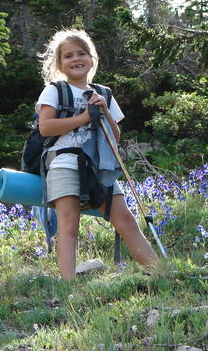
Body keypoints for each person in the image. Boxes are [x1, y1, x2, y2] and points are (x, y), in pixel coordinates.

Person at [36, 29, 158, 279]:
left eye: (81, 53)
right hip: (64, 163)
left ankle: (160, 273)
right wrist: (82, 117)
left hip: (99, 166)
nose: (75, 59)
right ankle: (68, 285)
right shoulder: (55, 90)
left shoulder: (104, 93)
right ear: (59, 64)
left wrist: (104, 112)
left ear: (92, 59)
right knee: (69, 224)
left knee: (125, 218)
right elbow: (45, 127)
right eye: (68, 56)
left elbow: (115, 136)